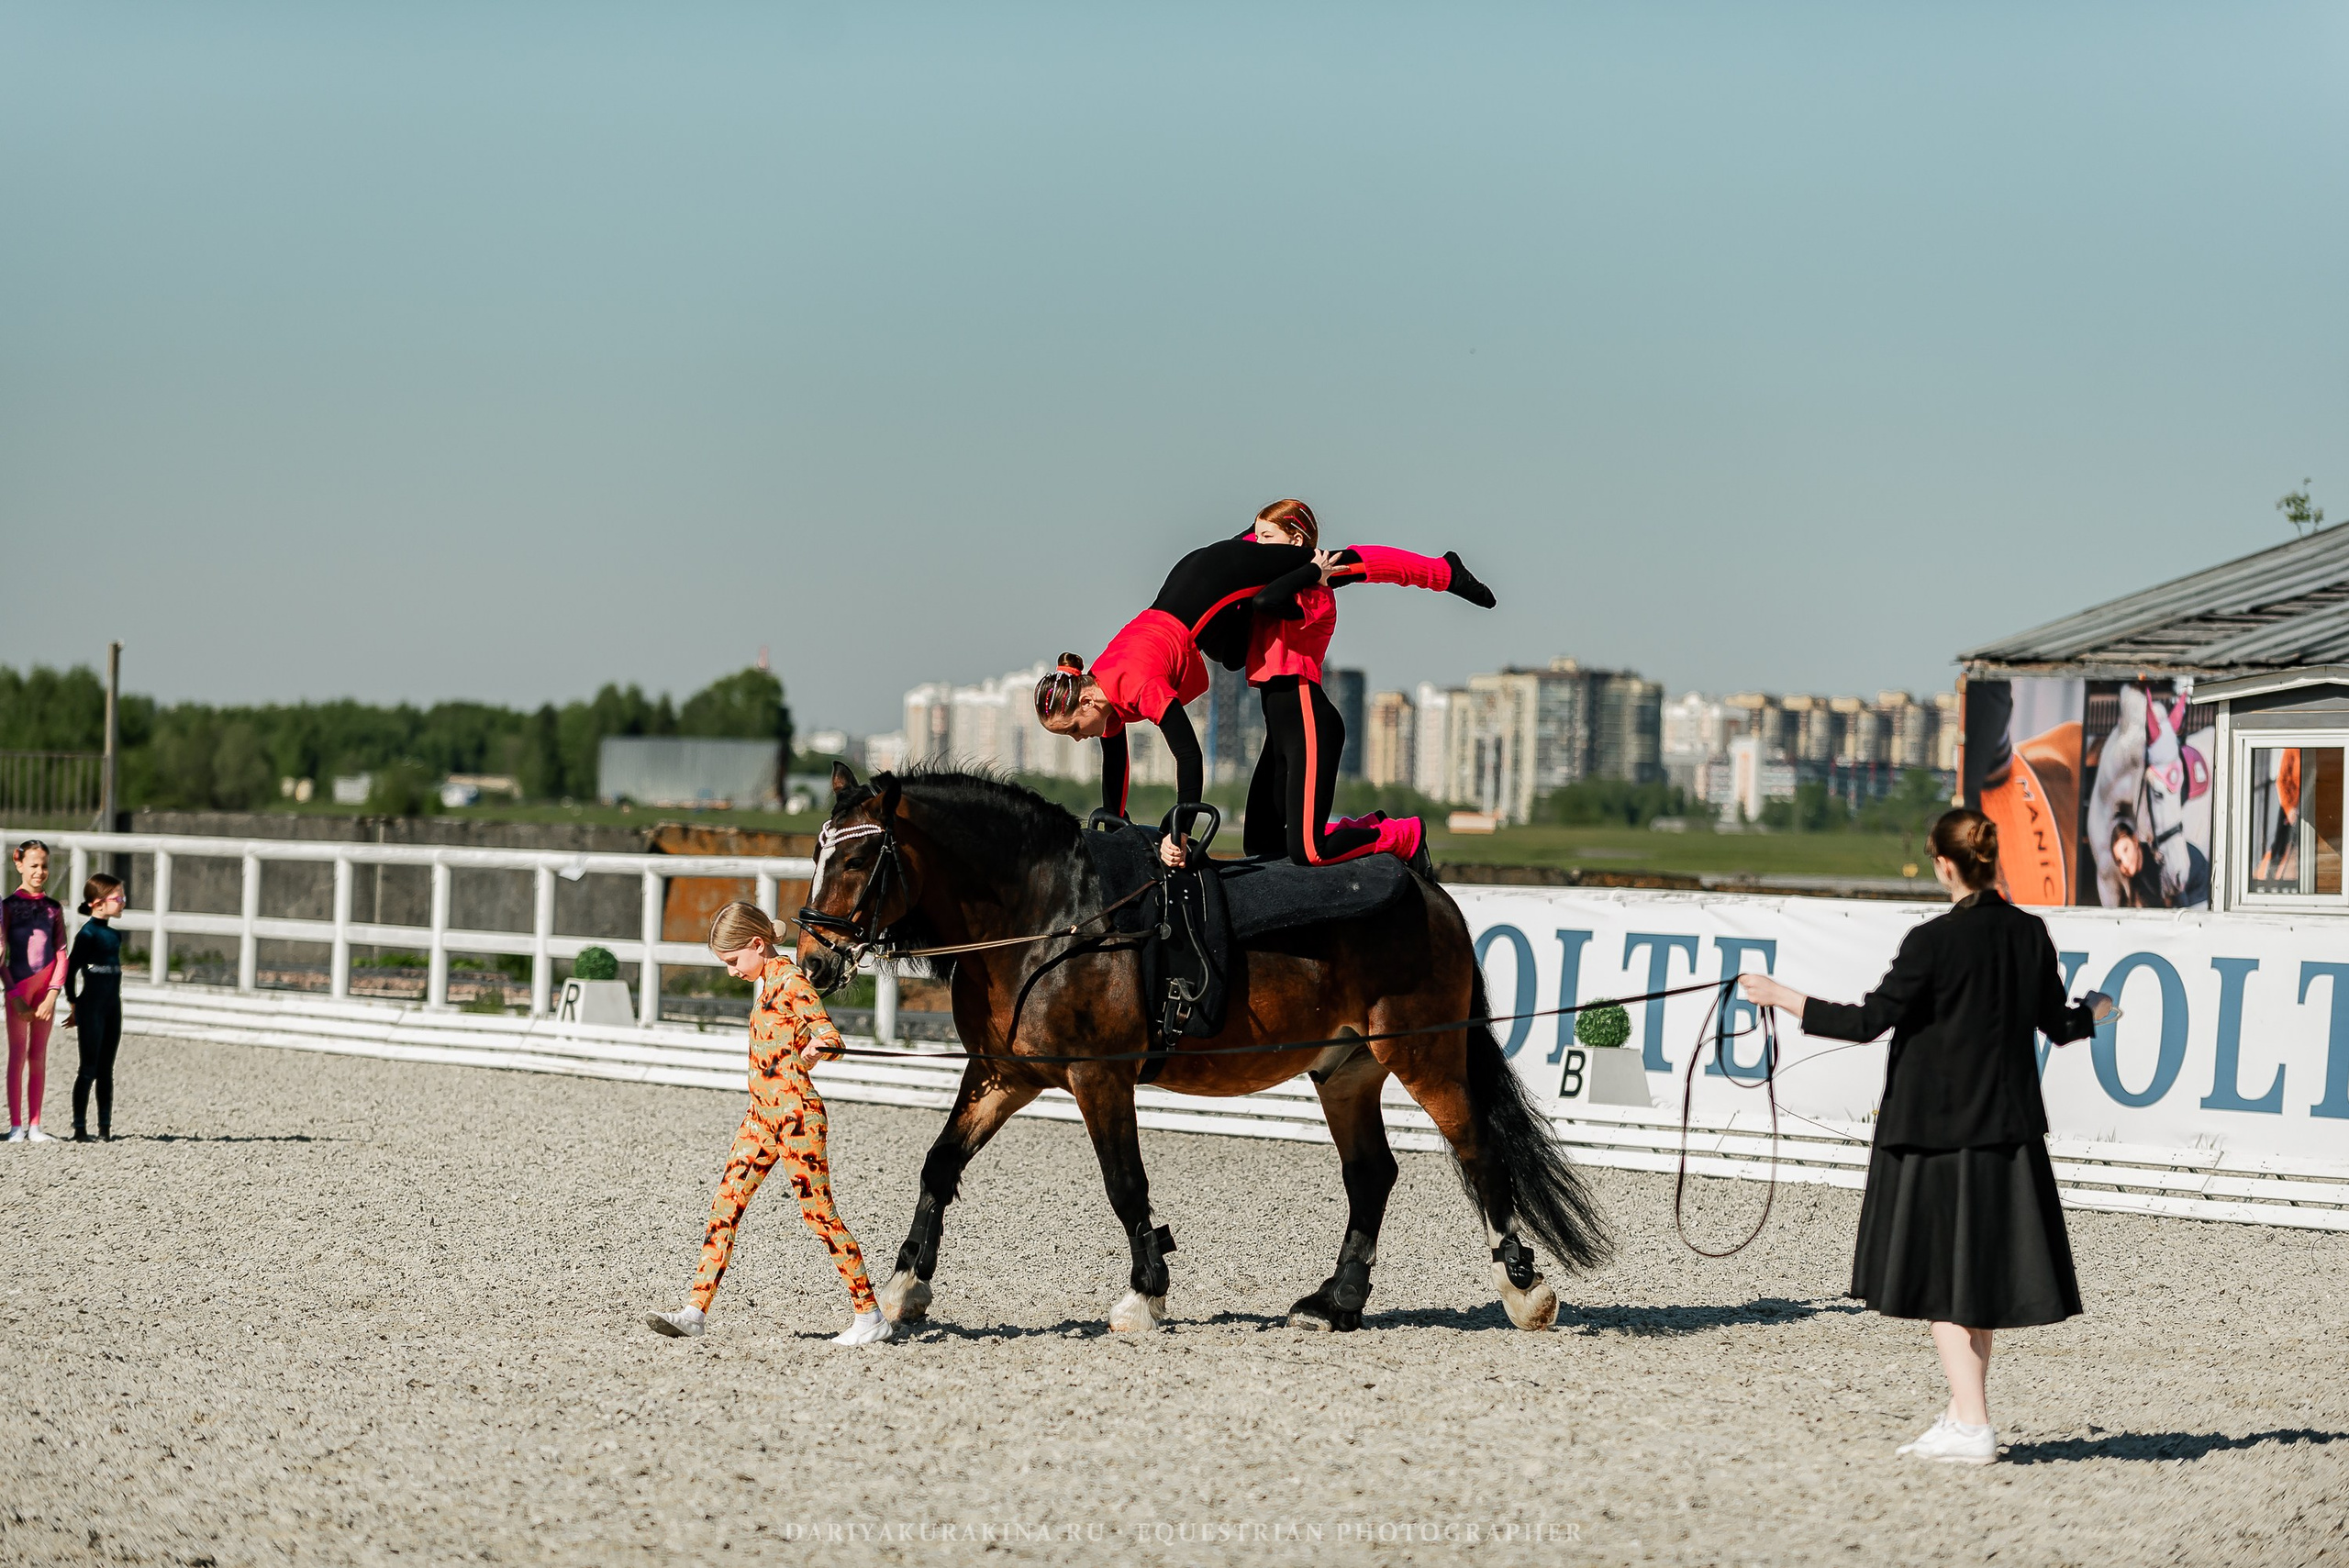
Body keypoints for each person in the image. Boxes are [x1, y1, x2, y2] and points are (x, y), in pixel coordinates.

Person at [1739, 808, 2117, 1465]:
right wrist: (2097, 1012)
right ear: (1989, 860)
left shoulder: (1931, 941)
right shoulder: (2030, 933)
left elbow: (1865, 1022)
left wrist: (1778, 994)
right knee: (1976, 1280)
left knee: (1944, 1280)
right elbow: (2059, 1026)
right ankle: (1961, 1411)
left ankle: (1973, 1424)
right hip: (2007, 1133)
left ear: (1944, 864)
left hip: (1935, 1135)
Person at [1034, 506, 1488, 869]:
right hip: (1197, 592)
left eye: (1073, 728)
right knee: (1232, 654)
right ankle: (1253, 535)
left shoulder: (1135, 680)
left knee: (1338, 564)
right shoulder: (1103, 686)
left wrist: (1180, 831)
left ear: (1088, 698)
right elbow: (1115, 762)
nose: (1078, 738)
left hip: (1212, 578)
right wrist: (1115, 827)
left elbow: (1189, 757)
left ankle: (1444, 572)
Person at [646, 902, 893, 1347]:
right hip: (760, 1117)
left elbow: (832, 1039)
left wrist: (818, 1051)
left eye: (733, 961)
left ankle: (869, 1313)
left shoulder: (791, 980)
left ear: (758, 945)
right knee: (725, 1207)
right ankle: (695, 1311)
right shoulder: (766, 982)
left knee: (820, 1215)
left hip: (796, 1119)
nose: (730, 972)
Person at [1239, 498, 1493, 867]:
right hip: (1279, 728)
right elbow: (1242, 556)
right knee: (1259, 846)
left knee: (1309, 852)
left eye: (1266, 535)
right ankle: (1364, 826)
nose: (1255, 543)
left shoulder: (1315, 594)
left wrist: (1312, 571)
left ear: (1296, 542)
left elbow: (1267, 601)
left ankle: (1401, 834)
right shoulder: (1282, 576)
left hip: (1310, 722)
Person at [4, 840, 69, 1142]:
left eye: (44, 866)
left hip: (45, 994)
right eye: (33, 865)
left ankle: (35, 1124)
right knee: (17, 1055)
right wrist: (14, 997)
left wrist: (53, 994)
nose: (40, 871)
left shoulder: (53, 909)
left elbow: (61, 953)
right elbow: (2, 956)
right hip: (18, 991)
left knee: (38, 1056)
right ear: (19, 865)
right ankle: (16, 1125)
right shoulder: (7, 908)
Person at [66, 873, 127, 1142]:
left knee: (106, 1069)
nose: (123, 902)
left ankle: (105, 1127)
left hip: (113, 1006)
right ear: (98, 903)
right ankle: (79, 1128)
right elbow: (70, 971)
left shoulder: (114, 935)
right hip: (91, 1007)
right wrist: (74, 1004)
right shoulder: (88, 934)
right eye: (118, 898)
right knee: (88, 1068)